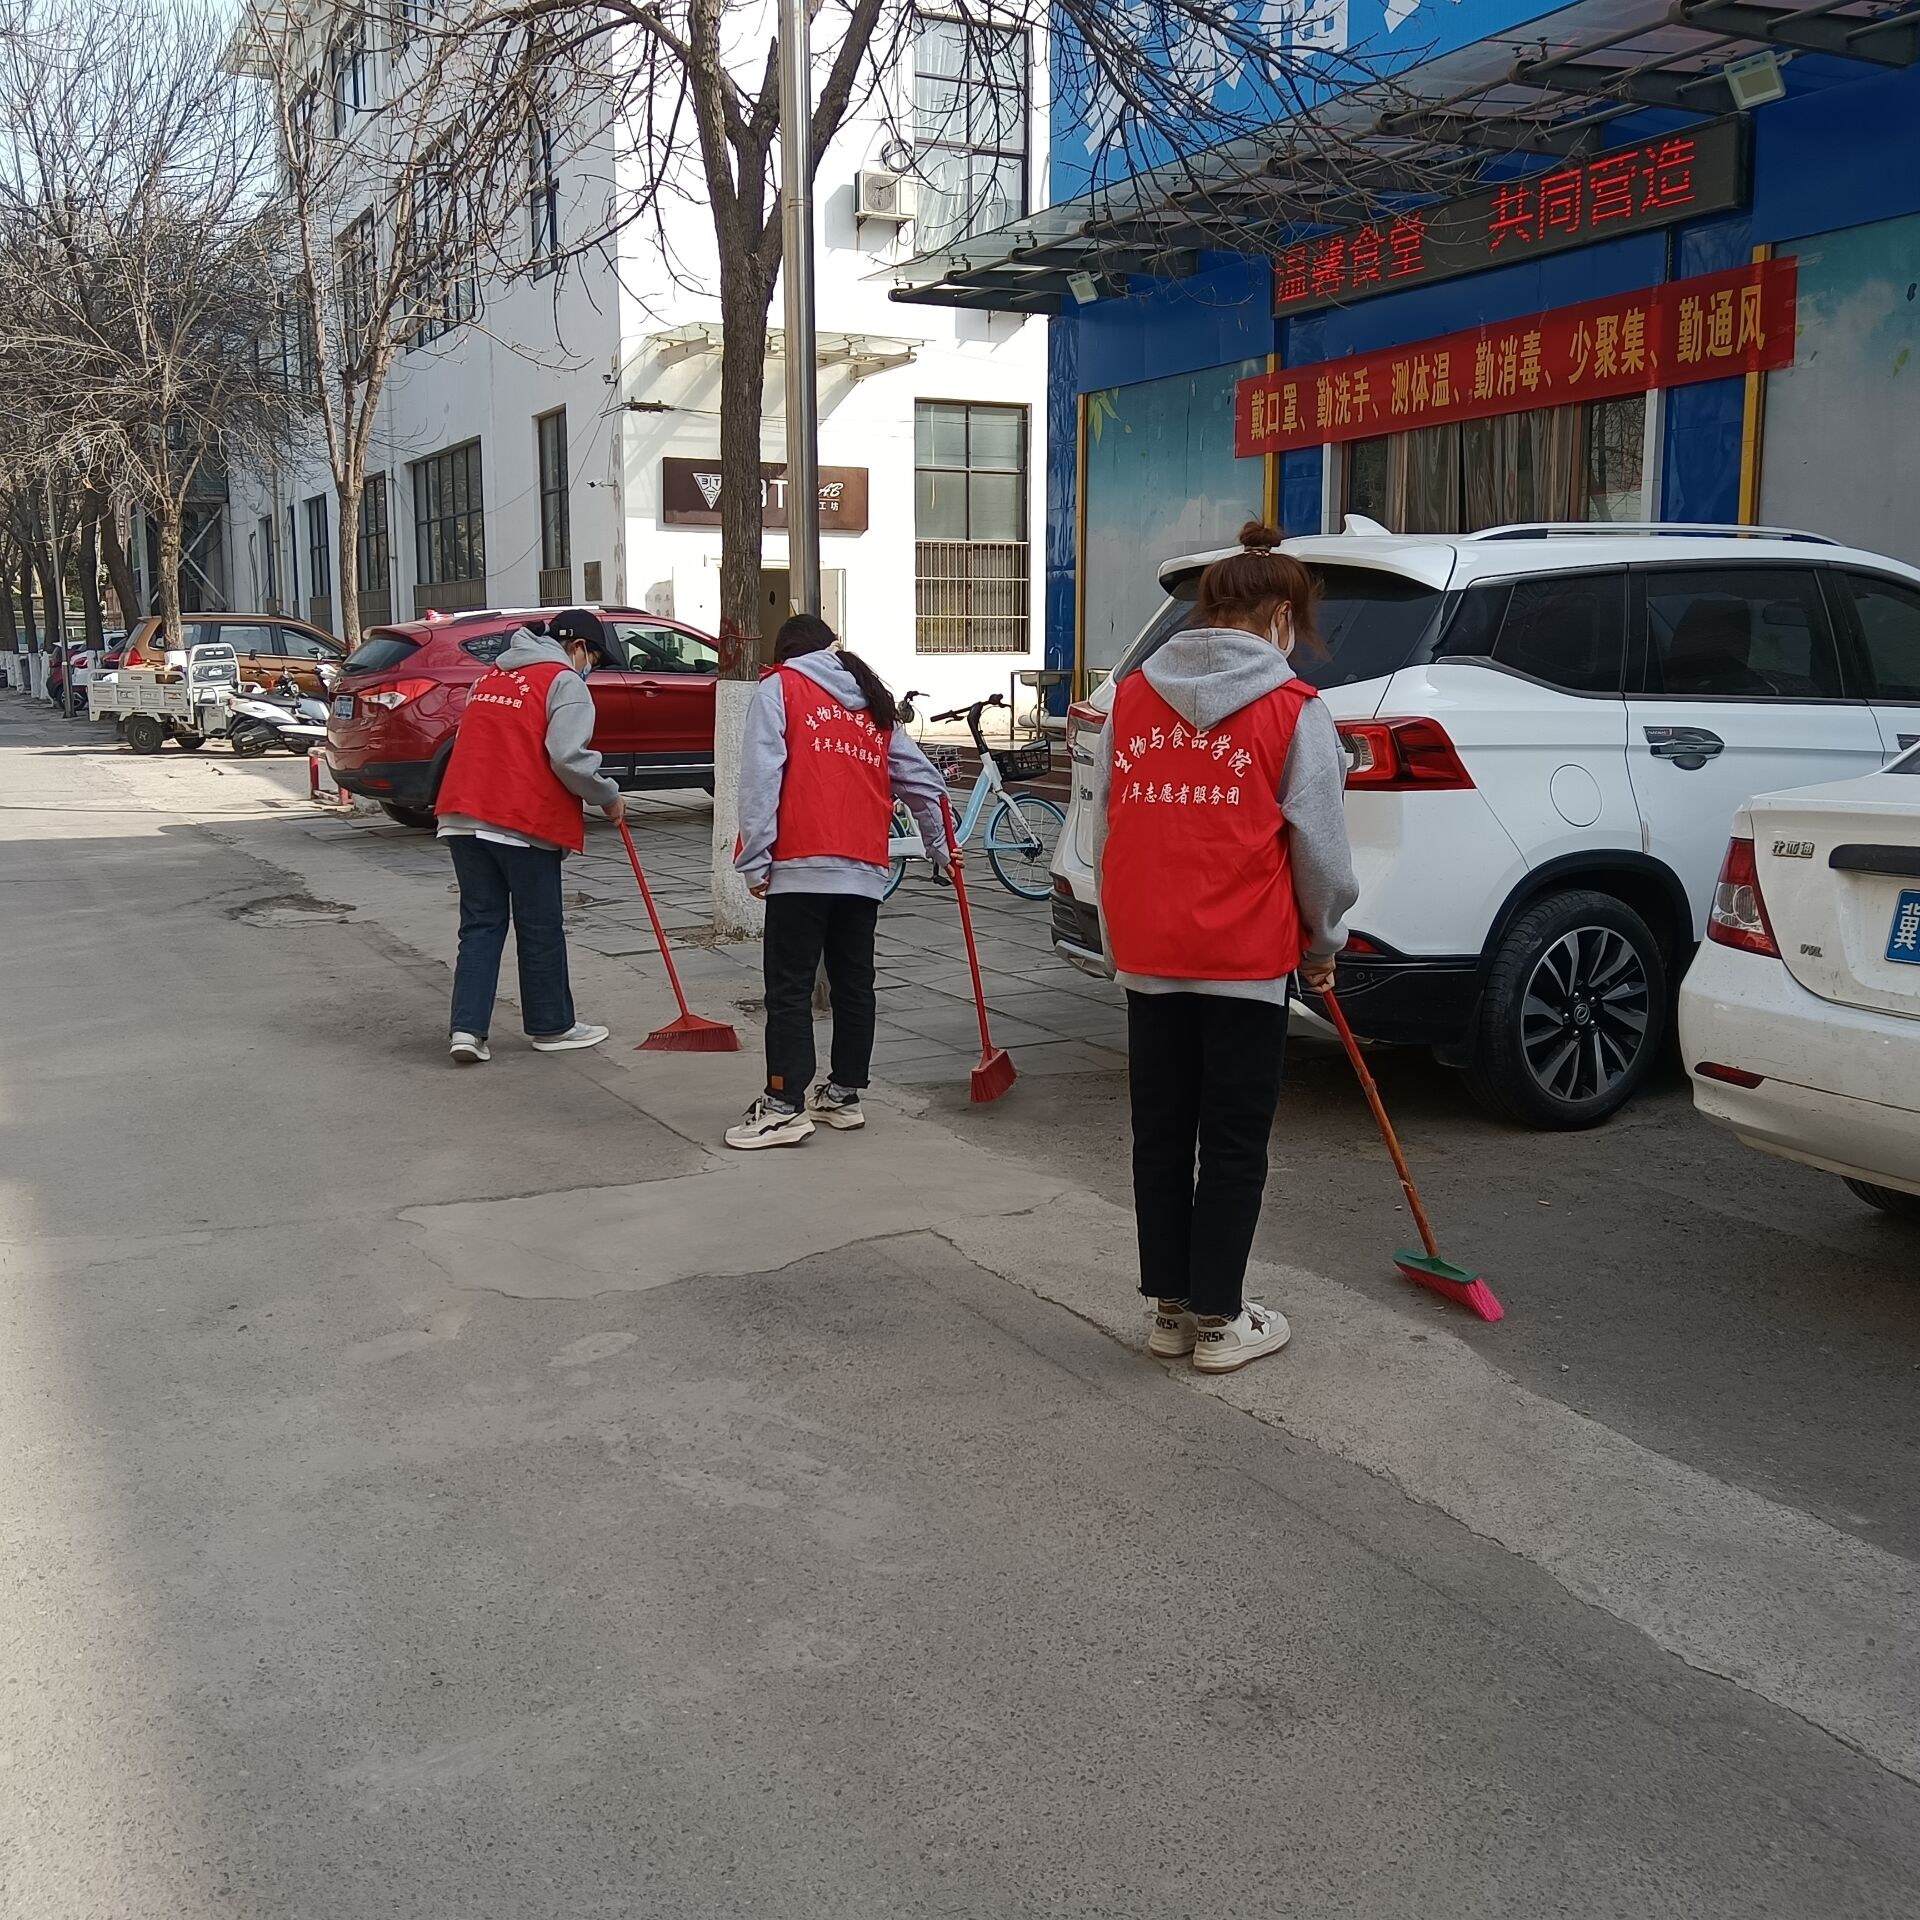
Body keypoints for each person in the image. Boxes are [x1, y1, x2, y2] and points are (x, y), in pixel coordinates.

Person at [1091, 521, 1358, 1374]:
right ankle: (1219, 1319)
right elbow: (1319, 848)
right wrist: (1323, 939)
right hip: (1244, 959)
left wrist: (1116, 940)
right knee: (1234, 1141)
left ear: (1208, 610)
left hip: (1150, 954)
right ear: (1281, 615)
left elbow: (1106, 828)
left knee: (1162, 1135)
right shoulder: (1294, 710)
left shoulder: (1132, 699)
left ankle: (1169, 1310)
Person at [727, 613, 954, 1149]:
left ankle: (783, 1105)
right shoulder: (873, 703)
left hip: (801, 864)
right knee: (854, 984)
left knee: (789, 988)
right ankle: (844, 1094)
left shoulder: (781, 687)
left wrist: (756, 859)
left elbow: (760, 778)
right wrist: (942, 846)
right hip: (863, 868)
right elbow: (924, 781)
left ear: (785, 655)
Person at [433, 607, 625, 1064]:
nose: (591, 669)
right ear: (579, 647)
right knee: (539, 926)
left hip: (462, 813)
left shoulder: (491, 677)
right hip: (521, 818)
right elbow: (568, 757)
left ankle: (467, 1030)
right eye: (594, 660)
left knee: (480, 924)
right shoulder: (564, 682)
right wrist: (607, 796)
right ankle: (551, 1026)